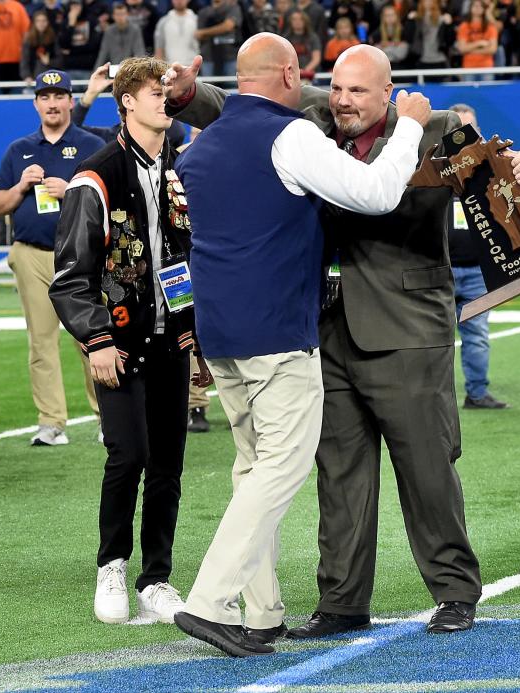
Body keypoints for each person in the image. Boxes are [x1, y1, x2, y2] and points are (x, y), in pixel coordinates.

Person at [162, 43, 520, 640]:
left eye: (358, 91)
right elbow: (242, 103)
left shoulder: (440, 127)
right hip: (324, 327)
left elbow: (506, 178)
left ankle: (453, 591)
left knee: (427, 467)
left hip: (409, 326)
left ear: (387, 94)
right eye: (337, 88)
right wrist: (184, 95)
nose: (343, 101)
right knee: (338, 473)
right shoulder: (313, 118)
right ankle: (341, 601)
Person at [170, 35, 430, 658]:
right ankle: (210, 602)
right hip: (277, 330)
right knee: (282, 468)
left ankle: (260, 614)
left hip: (221, 333)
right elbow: (375, 194)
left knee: (251, 466)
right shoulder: (289, 136)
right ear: (289, 73)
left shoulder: (200, 149)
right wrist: (411, 128)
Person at [50, 56, 212, 626]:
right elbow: (69, 276)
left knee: (169, 459)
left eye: (167, 91)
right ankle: (111, 563)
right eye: (153, 92)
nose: (165, 99)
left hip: (172, 336)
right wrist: (96, 338)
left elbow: (189, 258)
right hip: (118, 340)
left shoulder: (180, 166)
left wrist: (197, 339)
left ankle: (157, 577)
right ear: (127, 102)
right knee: (130, 454)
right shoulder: (94, 177)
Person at [0, 70, 105, 447]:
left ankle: (108, 416)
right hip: (32, 255)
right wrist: (21, 185)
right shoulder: (18, 149)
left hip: (82, 255)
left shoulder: (92, 144)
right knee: (41, 342)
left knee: (92, 338)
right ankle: (51, 422)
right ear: (36, 103)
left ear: (71, 101)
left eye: (59, 96)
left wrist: (70, 191)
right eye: (45, 96)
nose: (52, 103)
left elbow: (111, 200)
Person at [447, 104, 508, 409]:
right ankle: (436, 398)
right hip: (439, 270)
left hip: (476, 270)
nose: (465, 136)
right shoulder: (432, 170)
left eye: (471, 129)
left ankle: (477, 393)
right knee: (434, 343)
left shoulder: (492, 170)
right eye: (458, 130)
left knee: (478, 336)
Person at [196, 0, 242, 77]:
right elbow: (199, 35)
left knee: (232, 87)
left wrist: (205, 32)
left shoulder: (233, 8)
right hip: (208, 58)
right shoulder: (203, 12)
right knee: (207, 87)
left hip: (229, 58)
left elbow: (228, 26)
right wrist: (221, 29)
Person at [94, 3, 146, 68]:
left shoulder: (135, 30)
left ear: (127, 14)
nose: (120, 17)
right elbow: (103, 54)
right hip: (114, 69)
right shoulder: (109, 31)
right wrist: (95, 72)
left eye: (123, 14)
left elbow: (139, 53)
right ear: (113, 16)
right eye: (118, 14)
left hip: (131, 69)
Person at [455, 0, 499, 74]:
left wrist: (470, 50)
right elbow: (462, 48)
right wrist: (479, 43)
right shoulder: (463, 26)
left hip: (486, 67)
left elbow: (493, 49)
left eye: (480, 6)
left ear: (484, 9)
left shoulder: (490, 27)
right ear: (470, 8)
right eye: (475, 6)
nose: (477, 8)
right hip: (468, 67)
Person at [21, 10, 63, 86]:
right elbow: (24, 61)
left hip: (52, 81)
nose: (41, 24)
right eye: (38, 21)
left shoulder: (53, 38)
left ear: (47, 22)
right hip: (33, 80)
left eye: (44, 21)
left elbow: (60, 60)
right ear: (34, 23)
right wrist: (27, 76)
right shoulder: (28, 40)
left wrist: (49, 62)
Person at [153, 0, 198, 66]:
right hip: (170, 67)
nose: (179, 1)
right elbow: (159, 49)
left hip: (193, 67)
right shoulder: (163, 22)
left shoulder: (197, 20)